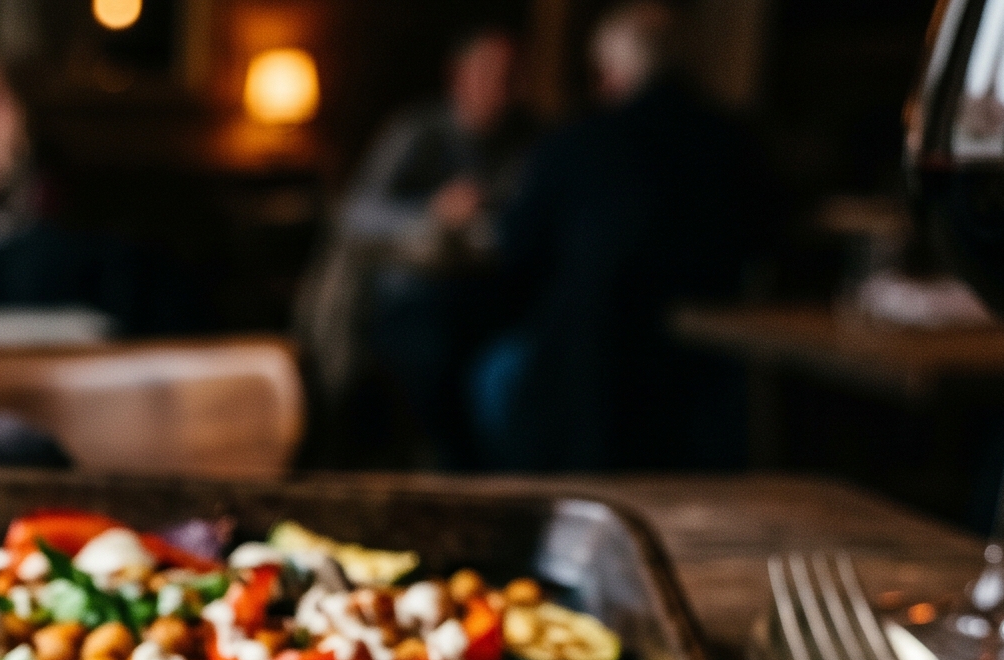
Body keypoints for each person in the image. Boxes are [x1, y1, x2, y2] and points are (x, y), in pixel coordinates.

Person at [473, 3, 770, 471]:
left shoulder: (574, 144)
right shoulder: (737, 142)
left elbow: (515, 248)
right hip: (706, 395)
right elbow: (769, 241)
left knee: (492, 374)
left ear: (611, 72)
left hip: (588, 391)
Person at [311, 27, 536, 467]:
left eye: (512, 75)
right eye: (489, 73)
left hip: (492, 298)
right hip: (410, 301)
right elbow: (354, 215)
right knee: (429, 354)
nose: (502, 88)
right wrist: (432, 215)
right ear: (457, 75)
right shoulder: (418, 131)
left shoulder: (528, 140)